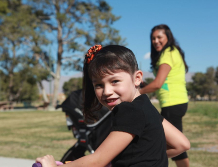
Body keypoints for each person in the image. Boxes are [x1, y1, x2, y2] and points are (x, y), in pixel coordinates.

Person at [35, 45, 190, 167]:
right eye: (98, 85)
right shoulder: (145, 106)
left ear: (137, 78)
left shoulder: (129, 110)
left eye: (115, 81)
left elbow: (97, 161)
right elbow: (182, 144)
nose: (107, 91)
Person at [140, 24, 190, 167]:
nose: (156, 41)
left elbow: (158, 84)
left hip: (172, 103)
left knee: (174, 144)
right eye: (153, 38)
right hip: (174, 102)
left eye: (159, 37)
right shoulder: (171, 52)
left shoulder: (168, 52)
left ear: (168, 37)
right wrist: (144, 86)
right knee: (171, 142)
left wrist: (137, 92)